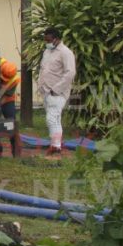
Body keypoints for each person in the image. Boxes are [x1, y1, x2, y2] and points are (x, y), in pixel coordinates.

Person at [37, 27, 76, 156]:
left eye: (48, 40)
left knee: (51, 118)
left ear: (56, 39)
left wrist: (56, 89)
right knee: (56, 119)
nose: (46, 42)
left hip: (57, 92)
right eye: (45, 40)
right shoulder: (47, 51)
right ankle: (57, 145)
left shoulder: (66, 52)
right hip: (46, 91)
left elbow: (70, 73)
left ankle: (55, 146)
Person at [0, 57, 21, 157]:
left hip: (7, 100)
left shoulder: (15, 79)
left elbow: (5, 96)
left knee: (11, 123)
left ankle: (16, 152)